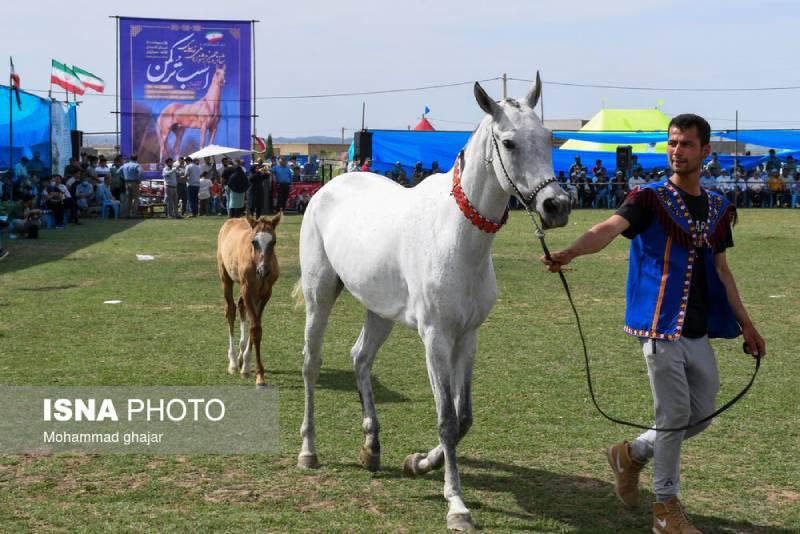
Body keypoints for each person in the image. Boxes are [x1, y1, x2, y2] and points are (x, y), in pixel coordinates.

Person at [541, 114, 766, 534]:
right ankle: (666, 509)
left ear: (705, 152)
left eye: (686, 144)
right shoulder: (648, 199)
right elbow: (607, 229)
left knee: (699, 416)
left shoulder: (718, 208)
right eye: (672, 143)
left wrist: (748, 326)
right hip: (660, 328)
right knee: (675, 412)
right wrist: (571, 252)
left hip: (699, 329)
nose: (677, 151)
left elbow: (722, 269)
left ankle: (631, 453)